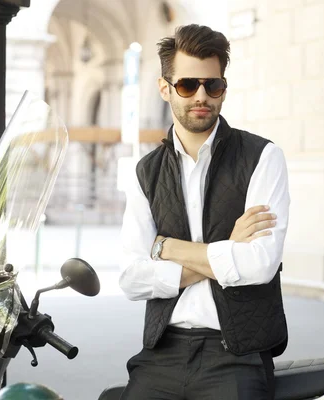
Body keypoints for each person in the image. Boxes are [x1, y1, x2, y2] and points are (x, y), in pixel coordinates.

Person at [118, 23, 291, 400]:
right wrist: (228, 248)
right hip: (161, 353)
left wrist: (165, 247)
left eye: (213, 86)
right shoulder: (145, 172)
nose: (202, 96)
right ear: (165, 88)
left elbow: (260, 265)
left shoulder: (262, 157)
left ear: (223, 89)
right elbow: (132, 278)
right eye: (187, 85)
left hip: (236, 357)